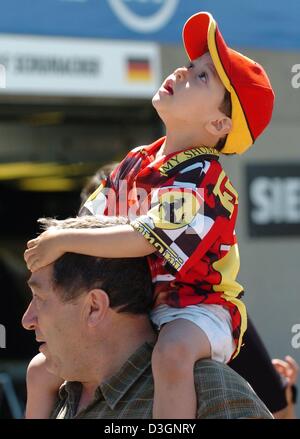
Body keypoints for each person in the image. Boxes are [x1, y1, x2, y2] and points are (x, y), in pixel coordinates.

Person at [24, 11, 275, 419]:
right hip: (146, 305)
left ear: (220, 122)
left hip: (201, 308)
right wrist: (63, 238)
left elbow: (146, 236)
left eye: (202, 77)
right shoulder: (139, 159)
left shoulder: (203, 179)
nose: (184, 70)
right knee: (39, 371)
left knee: (172, 355)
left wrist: (64, 239)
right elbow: (92, 215)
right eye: (192, 65)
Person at [22, 216, 273, 419]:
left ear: (94, 307)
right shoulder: (53, 394)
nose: (27, 320)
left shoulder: (213, 394)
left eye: (39, 297)